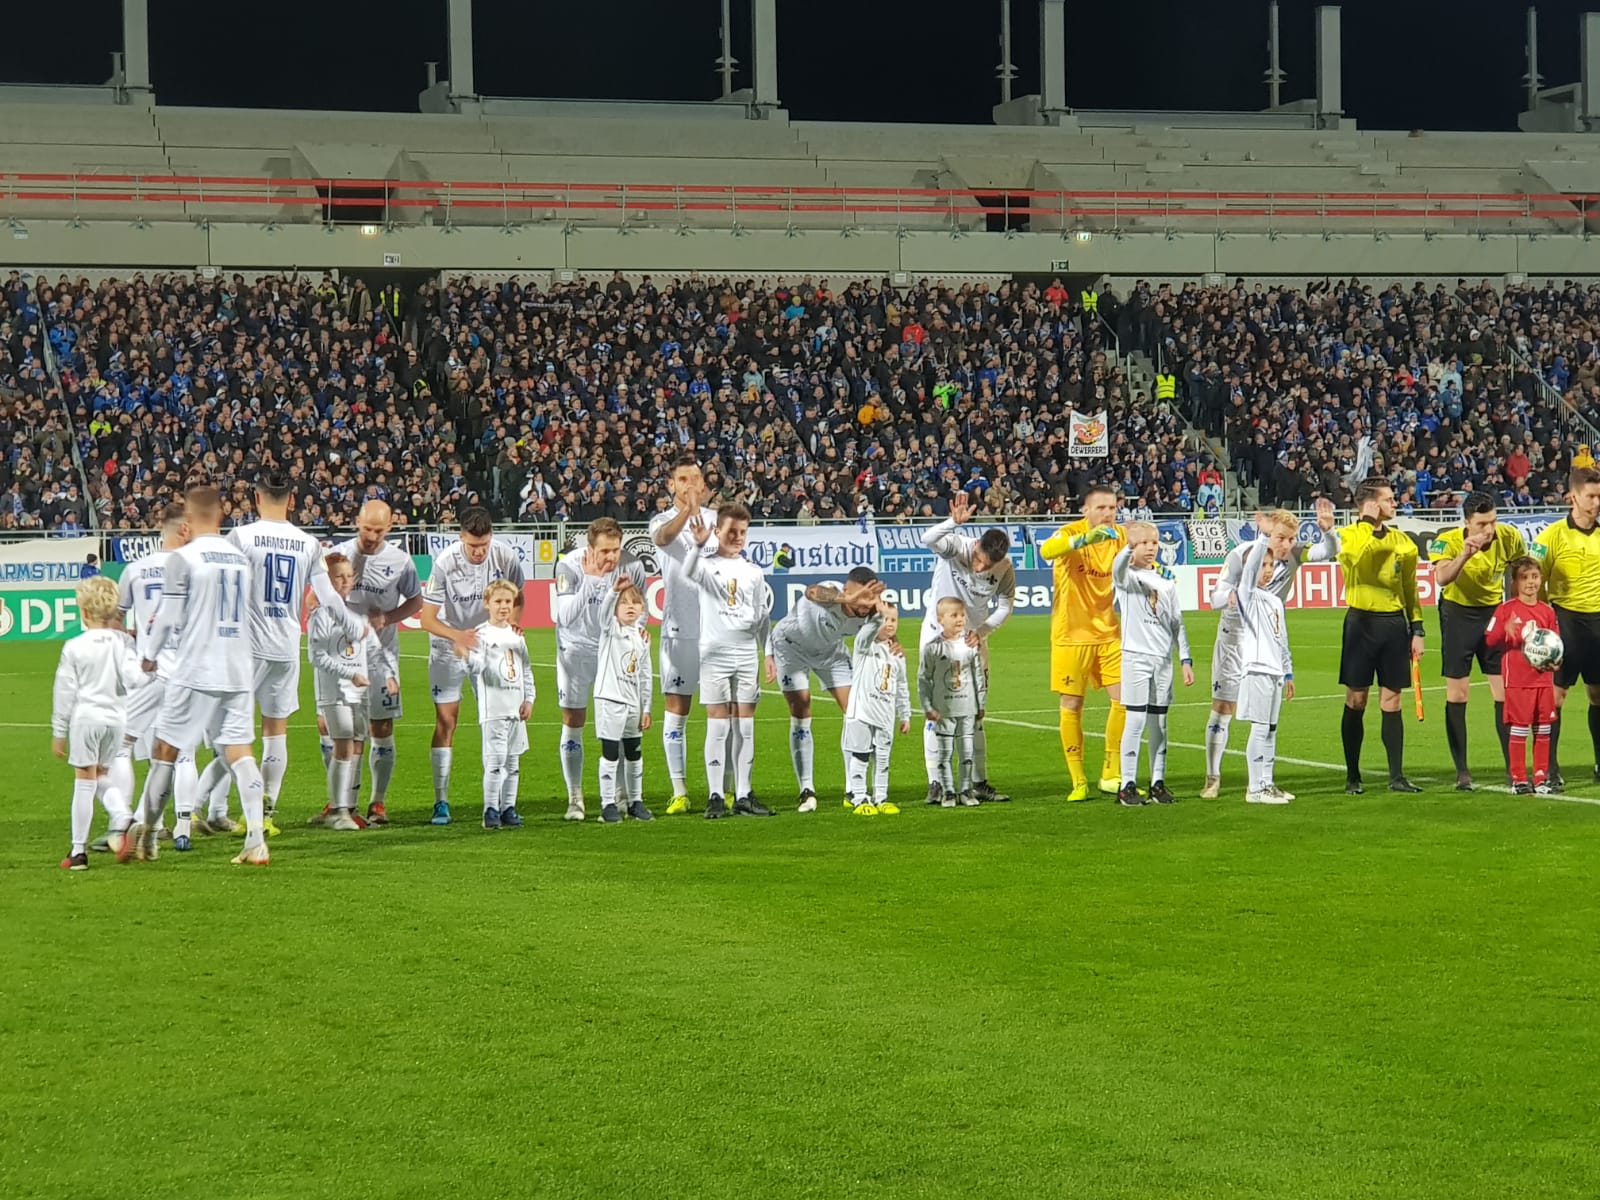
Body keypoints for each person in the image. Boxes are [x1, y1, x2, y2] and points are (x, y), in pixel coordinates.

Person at [128, 485, 270, 867]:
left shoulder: (183, 559)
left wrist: (148, 656)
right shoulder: (241, 559)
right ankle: (256, 840)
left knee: (165, 752)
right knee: (240, 753)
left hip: (196, 667)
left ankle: (151, 838)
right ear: (221, 515)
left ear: (187, 520)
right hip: (239, 667)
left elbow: (170, 616)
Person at [229, 471, 363, 834]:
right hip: (285, 647)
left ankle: (213, 810)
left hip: (247, 648)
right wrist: (354, 627)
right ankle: (265, 814)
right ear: (292, 500)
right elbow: (330, 597)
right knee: (276, 732)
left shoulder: (241, 537)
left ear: (255, 498)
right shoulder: (307, 543)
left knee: (232, 731)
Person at [1201, 501, 1338, 798]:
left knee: (1269, 721)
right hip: (1235, 637)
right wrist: (1236, 599)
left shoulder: (1294, 556)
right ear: (1268, 532)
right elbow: (1215, 597)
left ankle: (1265, 781)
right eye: (1281, 538)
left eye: (1291, 539)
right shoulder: (1243, 555)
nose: (1287, 545)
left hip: (1268, 640)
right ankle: (1213, 777)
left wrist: (1328, 532)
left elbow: (1327, 552)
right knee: (1224, 707)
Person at [416, 506, 526, 825]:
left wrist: (513, 624)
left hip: (490, 647)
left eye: (484, 545)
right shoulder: (445, 563)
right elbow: (426, 619)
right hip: (449, 647)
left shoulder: (504, 556)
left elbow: (518, 596)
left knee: (498, 721)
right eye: (473, 546)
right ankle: (441, 801)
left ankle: (502, 804)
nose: (479, 552)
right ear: (461, 536)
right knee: (446, 721)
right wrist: (458, 637)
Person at [664, 504, 773, 819]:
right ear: (718, 531)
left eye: (742, 532)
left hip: (746, 653)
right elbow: (686, 572)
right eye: (731, 532)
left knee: (746, 727)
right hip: (714, 653)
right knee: (718, 724)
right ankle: (715, 795)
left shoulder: (754, 572)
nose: (737, 537)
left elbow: (762, 617)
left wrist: (767, 653)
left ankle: (743, 794)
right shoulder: (706, 565)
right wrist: (698, 546)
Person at [323, 499, 424, 825]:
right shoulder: (338, 556)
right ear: (357, 522)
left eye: (378, 530)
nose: (370, 535)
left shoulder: (400, 560)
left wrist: (389, 617)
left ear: (389, 528)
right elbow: (316, 596)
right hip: (341, 656)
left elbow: (416, 600)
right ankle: (339, 801)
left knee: (380, 726)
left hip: (381, 658)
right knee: (331, 727)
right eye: (366, 528)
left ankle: (377, 803)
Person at [105, 502, 194, 848]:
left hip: (149, 668)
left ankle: (124, 824)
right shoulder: (194, 569)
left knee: (121, 746)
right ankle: (181, 827)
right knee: (182, 752)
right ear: (183, 528)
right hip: (186, 671)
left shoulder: (136, 569)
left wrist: (134, 639)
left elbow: (116, 617)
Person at [919, 491, 1017, 804]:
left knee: (975, 715)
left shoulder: (1004, 569)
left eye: (985, 565)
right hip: (937, 639)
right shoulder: (956, 546)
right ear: (975, 545)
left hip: (974, 642)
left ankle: (979, 782)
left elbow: (1005, 606)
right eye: (977, 559)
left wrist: (983, 631)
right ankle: (936, 782)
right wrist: (952, 522)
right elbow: (926, 538)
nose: (977, 568)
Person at [552, 518, 649, 821]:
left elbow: (639, 606)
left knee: (622, 724)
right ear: (590, 548)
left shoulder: (632, 566)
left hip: (615, 652)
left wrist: (638, 631)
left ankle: (622, 795)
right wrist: (592, 580)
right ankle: (575, 798)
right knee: (574, 719)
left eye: (615, 550)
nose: (611, 558)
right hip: (577, 650)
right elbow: (565, 616)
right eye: (605, 551)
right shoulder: (569, 566)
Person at [1428, 490, 1526, 789]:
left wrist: (1517, 610)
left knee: (1504, 692)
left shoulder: (1509, 536)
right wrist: (1465, 554)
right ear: (1467, 523)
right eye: (1482, 524)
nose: (1489, 530)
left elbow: (1519, 571)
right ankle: (1462, 771)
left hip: (1495, 614)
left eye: (1493, 521)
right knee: (1458, 693)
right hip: (1458, 613)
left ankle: (1513, 768)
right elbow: (1442, 578)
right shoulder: (1448, 540)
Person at [767, 568, 887, 811]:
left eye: (870, 597)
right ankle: (807, 790)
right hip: (791, 647)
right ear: (846, 590)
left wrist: (893, 647)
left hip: (830, 654)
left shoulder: (873, 613)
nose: (865, 604)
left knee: (855, 712)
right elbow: (811, 591)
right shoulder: (830, 592)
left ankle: (853, 789)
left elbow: (879, 634)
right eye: (860, 597)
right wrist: (848, 599)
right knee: (802, 709)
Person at [1335, 477, 1424, 795]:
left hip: (1393, 625)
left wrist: (1417, 628)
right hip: (1361, 624)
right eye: (1388, 499)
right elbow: (1356, 557)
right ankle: (1352, 776)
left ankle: (1397, 776)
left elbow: (1410, 587)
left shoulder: (1404, 542)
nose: (1394, 503)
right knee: (1356, 700)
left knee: (1393, 700)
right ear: (1371, 503)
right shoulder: (1348, 536)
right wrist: (1368, 523)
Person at [51, 577, 147, 869]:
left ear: (84, 611)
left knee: (85, 779)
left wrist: (59, 732)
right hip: (116, 720)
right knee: (102, 774)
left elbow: (64, 691)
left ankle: (79, 850)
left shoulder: (75, 646)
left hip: (86, 719)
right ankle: (123, 816)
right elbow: (135, 679)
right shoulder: (124, 642)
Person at [1039, 485, 1128, 802]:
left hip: (1109, 633)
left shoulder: (1120, 535)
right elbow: (1047, 551)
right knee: (1072, 705)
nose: (1108, 513)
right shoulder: (1070, 532)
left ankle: (1111, 772)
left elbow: (1137, 562)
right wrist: (1082, 541)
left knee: (1123, 701)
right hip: (1071, 635)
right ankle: (1078, 780)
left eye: (1113, 508)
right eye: (1102, 508)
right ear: (1086, 511)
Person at [648, 456, 720, 814]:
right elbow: (665, 538)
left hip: (717, 631)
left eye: (696, 477)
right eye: (683, 479)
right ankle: (679, 790)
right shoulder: (661, 521)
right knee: (678, 710)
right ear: (671, 485)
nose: (691, 483)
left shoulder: (719, 522)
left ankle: (721, 790)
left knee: (722, 712)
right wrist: (687, 512)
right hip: (680, 630)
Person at [308, 553, 395, 832]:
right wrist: (350, 674)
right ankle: (337, 809)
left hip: (360, 692)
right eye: (338, 577)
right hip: (336, 691)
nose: (345, 582)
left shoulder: (355, 617)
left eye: (348, 576)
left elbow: (373, 648)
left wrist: (389, 675)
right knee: (343, 746)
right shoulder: (320, 615)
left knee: (357, 745)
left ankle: (349, 807)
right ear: (327, 581)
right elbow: (317, 657)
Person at [1110, 523, 1194, 806]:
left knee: (1159, 722)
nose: (1150, 547)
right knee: (1134, 720)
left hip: (1162, 661)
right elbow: (1117, 567)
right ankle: (1127, 784)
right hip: (1135, 657)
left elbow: (1176, 623)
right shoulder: (1127, 579)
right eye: (1143, 543)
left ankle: (1157, 782)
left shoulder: (1167, 581)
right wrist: (1127, 547)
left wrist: (1185, 659)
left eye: (1154, 543)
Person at [1532, 465, 1600, 788]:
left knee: (1598, 695)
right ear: (1572, 497)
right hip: (1565, 620)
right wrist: (1540, 623)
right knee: (1555, 697)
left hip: (1598, 622)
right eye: (1591, 496)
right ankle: (1549, 767)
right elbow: (1531, 580)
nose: (1597, 501)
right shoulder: (1550, 536)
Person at [460, 579, 535, 830]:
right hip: (494, 708)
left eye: (508, 602)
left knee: (513, 763)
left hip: (516, 707)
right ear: (487, 604)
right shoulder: (481, 635)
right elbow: (476, 667)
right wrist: (467, 656)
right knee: (495, 761)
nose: (503, 607)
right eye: (498, 602)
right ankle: (490, 809)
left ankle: (508, 808)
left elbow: (525, 669)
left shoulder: (516, 635)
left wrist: (529, 699)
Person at [1486, 557, 1560, 794]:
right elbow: (1489, 639)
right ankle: (1518, 778)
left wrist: (1557, 660)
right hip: (1518, 680)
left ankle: (1540, 779)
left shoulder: (1547, 611)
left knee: (1543, 729)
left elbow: (1556, 642)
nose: (1531, 582)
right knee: (1519, 728)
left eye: (1535, 577)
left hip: (1543, 680)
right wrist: (1503, 630)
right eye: (1525, 578)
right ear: (1515, 582)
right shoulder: (1506, 609)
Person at [1233, 536, 1296, 804]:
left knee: (1270, 729)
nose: (1268, 571)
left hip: (1275, 673)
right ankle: (1254, 788)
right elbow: (1247, 574)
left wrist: (1288, 672)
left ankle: (1267, 783)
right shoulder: (1246, 594)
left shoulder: (1274, 601)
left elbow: (1282, 640)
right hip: (1256, 669)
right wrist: (1264, 537)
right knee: (1259, 730)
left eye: (1271, 566)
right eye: (1263, 565)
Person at [591, 584, 654, 824]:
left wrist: (646, 707)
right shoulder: (610, 630)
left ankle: (635, 802)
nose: (630, 607)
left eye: (635, 603)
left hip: (633, 703)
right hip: (610, 699)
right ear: (616, 608)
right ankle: (608, 804)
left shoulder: (642, 638)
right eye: (624, 602)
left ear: (642, 609)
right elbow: (603, 614)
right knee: (609, 754)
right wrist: (612, 593)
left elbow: (645, 675)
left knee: (634, 753)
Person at [841, 604, 910, 815]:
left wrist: (904, 714)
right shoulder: (864, 648)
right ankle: (859, 798)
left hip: (885, 715)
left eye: (893, 620)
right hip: (861, 713)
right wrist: (877, 615)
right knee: (860, 757)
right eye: (885, 620)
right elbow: (866, 633)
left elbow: (902, 685)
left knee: (882, 759)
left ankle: (881, 798)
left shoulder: (898, 654)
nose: (889, 624)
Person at [919, 597, 982, 807]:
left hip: (967, 706)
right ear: (940, 619)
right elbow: (924, 678)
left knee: (966, 751)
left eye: (962, 615)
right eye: (954, 615)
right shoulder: (932, 648)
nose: (960, 619)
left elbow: (978, 676)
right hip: (943, 708)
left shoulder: (971, 645)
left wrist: (980, 704)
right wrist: (927, 706)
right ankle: (948, 791)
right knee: (944, 753)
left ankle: (965, 790)